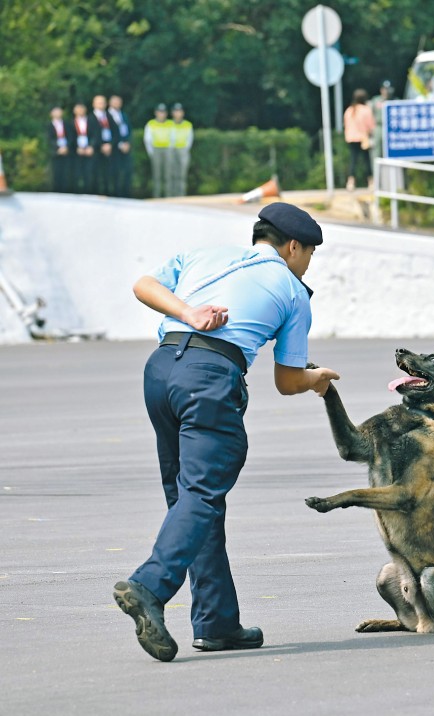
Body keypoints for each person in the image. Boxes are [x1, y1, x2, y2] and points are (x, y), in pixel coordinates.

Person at [112, 202, 341, 662]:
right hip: (210, 380)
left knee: (190, 500)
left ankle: (216, 622)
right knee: (201, 495)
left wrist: (189, 313)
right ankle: (149, 587)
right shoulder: (293, 293)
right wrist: (316, 380)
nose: (308, 263)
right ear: (293, 247)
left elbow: (143, 285)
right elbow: (287, 381)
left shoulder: (206, 252)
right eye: (310, 254)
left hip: (160, 371)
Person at [343, 88, 375, 191]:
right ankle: (371, 182)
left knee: (353, 160)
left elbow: (346, 125)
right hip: (363, 138)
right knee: (367, 160)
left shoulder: (349, 110)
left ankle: (350, 183)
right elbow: (371, 126)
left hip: (351, 138)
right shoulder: (366, 110)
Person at [144, 103, 173, 197]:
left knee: (168, 175)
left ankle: (168, 196)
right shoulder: (151, 123)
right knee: (157, 175)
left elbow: (173, 138)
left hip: (167, 150)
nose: (161, 114)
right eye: (160, 112)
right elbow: (147, 140)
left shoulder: (170, 123)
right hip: (156, 150)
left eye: (163, 112)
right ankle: (157, 196)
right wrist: (151, 152)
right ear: (156, 113)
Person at [108, 94, 133, 198]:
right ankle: (115, 193)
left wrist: (128, 143)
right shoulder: (106, 116)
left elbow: (128, 130)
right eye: (115, 101)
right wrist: (118, 144)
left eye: (119, 101)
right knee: (115, 172)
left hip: (125, 146)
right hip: (113, 148)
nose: (117, 103)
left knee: (127, 170)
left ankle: (125, 193)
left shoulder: (123, 115)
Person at [90, 95, 115, 195]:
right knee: (95, 173)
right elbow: (91, 134)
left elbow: (115, 132)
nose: (101, 104)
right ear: (94, 104)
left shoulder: (109, 116)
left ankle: (107, 193)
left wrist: (110, 144)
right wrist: (100, 146)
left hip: (108, 147)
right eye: (99, 102)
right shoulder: (90, 118)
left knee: (107, 173)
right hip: (96, 149)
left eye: (103, 102)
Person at [168, 102, 193, 197]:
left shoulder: (187, 124)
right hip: (171, 150)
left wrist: (185, 148)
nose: (178, 113)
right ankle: (171, 195)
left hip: (183, 150)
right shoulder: (168, 124)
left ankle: (181, 195)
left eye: (179, 111)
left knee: (182, 175)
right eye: (176, 111)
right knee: (172, 174)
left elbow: (189, 139)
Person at [69, 102, 95, 193]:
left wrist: (91, 147)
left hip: (88, 149)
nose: (80, 111)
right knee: (76, 172)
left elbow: (94, 135)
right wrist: (76, 147)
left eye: (82, 108)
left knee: (88, 172)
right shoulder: (71, 123)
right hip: (76, 151)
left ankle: (89, 192)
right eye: (78, 109)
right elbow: (70, 137)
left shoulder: (91, 121)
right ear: (74, 111)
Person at [367, 80, 392, 172]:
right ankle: (376, 177)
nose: (386, 91)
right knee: (376, 153)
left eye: (388, 89)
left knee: (390, 154)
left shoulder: (394, 100)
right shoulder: (376, 100)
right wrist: (370, 133)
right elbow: (370, 115)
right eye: (385, 89)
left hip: (390, 129)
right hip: (378, 127)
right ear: (381, 90)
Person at [46, 105, 71, 193]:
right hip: (55, 152)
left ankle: (66, 191)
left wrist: (66, 147)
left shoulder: (67, 124)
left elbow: (71, 137)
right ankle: (55, 191)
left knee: (66, 173)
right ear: (51, 113)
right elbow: (49, 139)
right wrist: (58, 148)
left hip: (66, 151)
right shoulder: (49, 125)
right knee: (56, 173)